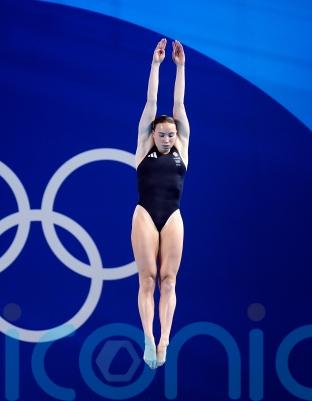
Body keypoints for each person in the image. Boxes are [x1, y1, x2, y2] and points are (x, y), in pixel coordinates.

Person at [131, 38, 190, 369]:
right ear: (152, 135)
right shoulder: (143, 146)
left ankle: (164, 338)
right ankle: (147, 338)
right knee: (148, 279)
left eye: (171, 134)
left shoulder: (182, 148)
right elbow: (151, 102)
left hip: (172, 216)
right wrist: (155, 65)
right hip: (144, 214)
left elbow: (178, 104)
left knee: (169, 280)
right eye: (162, 134)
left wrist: (180, 68)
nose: (167, 138)